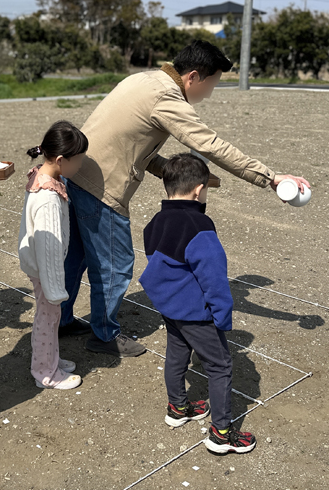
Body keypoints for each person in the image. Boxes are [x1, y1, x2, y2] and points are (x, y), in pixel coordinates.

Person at [59, 40, 311, 358]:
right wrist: (271, 178)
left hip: (78, 172)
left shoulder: (145, 79)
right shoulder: (166, 97)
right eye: (211, 85)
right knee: (116, 264)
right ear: (193, 77)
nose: (208, 95)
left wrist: (178, 173)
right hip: (102, 187)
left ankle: (62, 320)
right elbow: (209, 144)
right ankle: (104, 335)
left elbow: (136, 147)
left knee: (77, 258)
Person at [140, 153, 256, 454]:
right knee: (220, 366)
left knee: (177, 354)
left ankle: (178, 408)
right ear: (198, 190)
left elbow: (160, 264)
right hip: (196, 312)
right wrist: (222, 315)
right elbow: (214, 276)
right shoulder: (200, 225)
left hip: (169, 307)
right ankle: (222, 433)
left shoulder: (154, 223)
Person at [18, 120, 89, 390]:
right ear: (60, 159)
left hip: (39, 267)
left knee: (49, 318)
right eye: (78, 161)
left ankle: (51, 360)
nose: (80, 167)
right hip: (45, 271)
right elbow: (48, 248)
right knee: (48, 319)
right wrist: (55, 288)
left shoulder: (43, 177)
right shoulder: (48, 198)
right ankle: (46, 373)